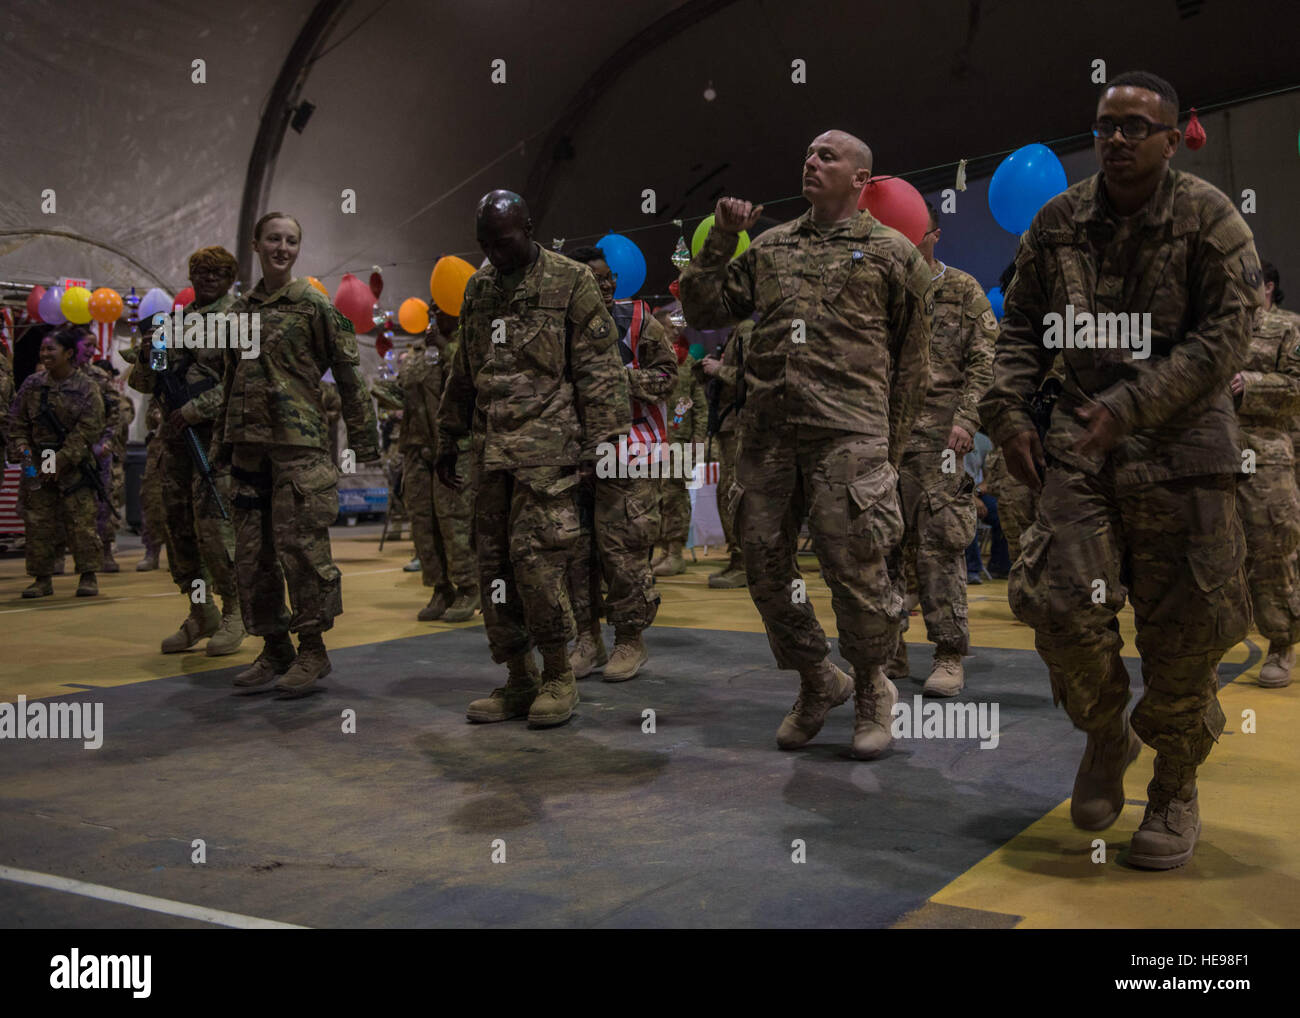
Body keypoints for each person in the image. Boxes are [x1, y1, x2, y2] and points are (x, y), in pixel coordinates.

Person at [979, 71, 1261, 869]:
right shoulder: (1058, 223)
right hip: (1081, 448)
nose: (1118, 138)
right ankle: (1107, 734)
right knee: (1059, 605)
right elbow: (1019, 330)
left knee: (1187, 635)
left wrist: (1132, 405)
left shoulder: (1210, 220)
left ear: (1173, 139)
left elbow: (1224, 343)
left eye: (1138, 126)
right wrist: (1006, 416)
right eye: (1107, 124)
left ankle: (1173, 783)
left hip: (1184, 451)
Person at [680, 130, 933, 758]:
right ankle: (819, 679)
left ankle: (874, 687)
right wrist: (716, 238)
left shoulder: (893, 254)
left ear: (860, 179)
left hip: (849, 436)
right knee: (764, 568)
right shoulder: (769, 248)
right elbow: (706, 306)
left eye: (829, 156)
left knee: (857, 574)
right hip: (769, 439)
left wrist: (889, 450)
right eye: (809, 154)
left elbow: (914, 364)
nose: (811, 162)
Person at [437, 189, 630, 727]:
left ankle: (558, 676)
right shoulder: (478, 290)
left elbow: (600, 372)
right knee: (493, 569)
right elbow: (464, 371)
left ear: (529, 227)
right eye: (485, 245)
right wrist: (447, 438)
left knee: (539, 568)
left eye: (503, 241)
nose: (494, 253)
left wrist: (603, 447)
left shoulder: (571, 281)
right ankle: (518, 676)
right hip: (491, 456)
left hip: (550, 458)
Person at [212, 213, 380, 694]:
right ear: (256, 245)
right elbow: (230, 382)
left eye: (291, 241)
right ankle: (275, 648)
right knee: (251, 555)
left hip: (298, 450)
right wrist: (222, 445)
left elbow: (349, 373)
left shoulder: (313, 305)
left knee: (302, 553)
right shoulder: (239, 313)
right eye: (273, 239)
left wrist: (364, 441)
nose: (282, 248)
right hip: (248, 453)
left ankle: (312, 651)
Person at [887, 202, 995, 695]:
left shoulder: (963, 290)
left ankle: (949, 654)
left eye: (913, 233)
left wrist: (967, 419)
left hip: (943, 438)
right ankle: (886, 652)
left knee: (939, 543)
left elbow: (985, 362)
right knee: (882, 544)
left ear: (933, 234)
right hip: (888, 437)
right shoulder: (886, 292)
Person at [564, 245, 675, 681]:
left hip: (631, 450)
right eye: (596, 278)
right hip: (575, 454)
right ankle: (587, 640)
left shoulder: (637, 321)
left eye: (609, 276)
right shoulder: (563, 326)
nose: (607, 283)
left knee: (622, 549)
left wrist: (617, 378)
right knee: (578, 551)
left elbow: (668, 376)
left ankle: (630, 640)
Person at [129, 245, 245, 655]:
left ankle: (234, 610)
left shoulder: (239, 318)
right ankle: (200, 609)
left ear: (229, 278)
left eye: (217, 273)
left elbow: (245, 382)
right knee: (179, 531)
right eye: (201, 272)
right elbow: (144, 383)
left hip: (216, 443)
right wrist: (149, 352)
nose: (208, 279)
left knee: (216, 530)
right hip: (175, 445)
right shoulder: (175, 323)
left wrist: (196, 409)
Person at [375, 310, 478, 621]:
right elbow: (406, 389)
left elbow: (467, 382)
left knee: (454, 520)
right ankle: (440, 587)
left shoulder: (468, 343)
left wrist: (446, 347)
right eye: (435, 311)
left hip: (454, 448)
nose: (437, 316)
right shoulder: (419, 351)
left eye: (445, 310)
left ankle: (469, 586)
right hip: (417, 447)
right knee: (423, 521)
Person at [1233, 299, 1300, 687]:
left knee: (1273, 548)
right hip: (1206, 450)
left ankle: (1280, 642)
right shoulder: (1204, 323)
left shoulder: (1285, 327)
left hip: (1264, 452)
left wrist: (1251, 383)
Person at [8, 328, 105, 598]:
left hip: (74, 466)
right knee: (38, 523)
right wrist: (25, 453)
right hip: (36, 463)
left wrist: (58, 461)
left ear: (69, 353)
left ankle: (88, 575)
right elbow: (17, 424)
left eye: (51, 349)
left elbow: (89, 429)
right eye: (42, 349)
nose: (45, 354)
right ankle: (41, 579)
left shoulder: (86, 387)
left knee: (80, 522)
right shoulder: (32, 385)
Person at [652, 315, 708, 576]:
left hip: (680, 439)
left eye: (677, 327)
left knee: (675, 496)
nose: (674, 332)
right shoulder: (652, 360)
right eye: (669, 327)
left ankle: (676, 553)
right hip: (653, 439)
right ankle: (662, 550)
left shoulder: (688, 362)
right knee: (658, 497)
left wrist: (699, 436)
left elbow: (699, 402)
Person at [695, 322, 747, 587]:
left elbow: (755, 376)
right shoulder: (734, 333)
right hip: (728, 426)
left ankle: (745, 563)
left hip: (740, 426)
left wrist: (719, 369)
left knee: (735, 493)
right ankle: (738, 559)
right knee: (726, 492)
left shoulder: (747, 331)